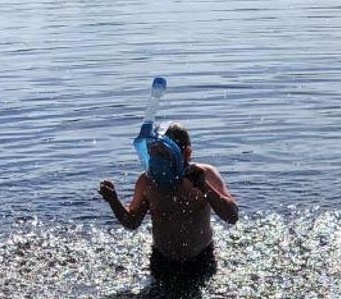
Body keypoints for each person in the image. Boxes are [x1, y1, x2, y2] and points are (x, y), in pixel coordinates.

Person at [98, 123, 239, 287]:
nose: (157, 160)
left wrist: (203, 186)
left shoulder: (205, 175)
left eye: (163, 154)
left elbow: (232, 216)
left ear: (186, 153)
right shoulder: (147, 182)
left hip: (201, 259)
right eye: (153, 153)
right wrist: (113, 201)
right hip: (162, 262)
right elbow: (132, 222)